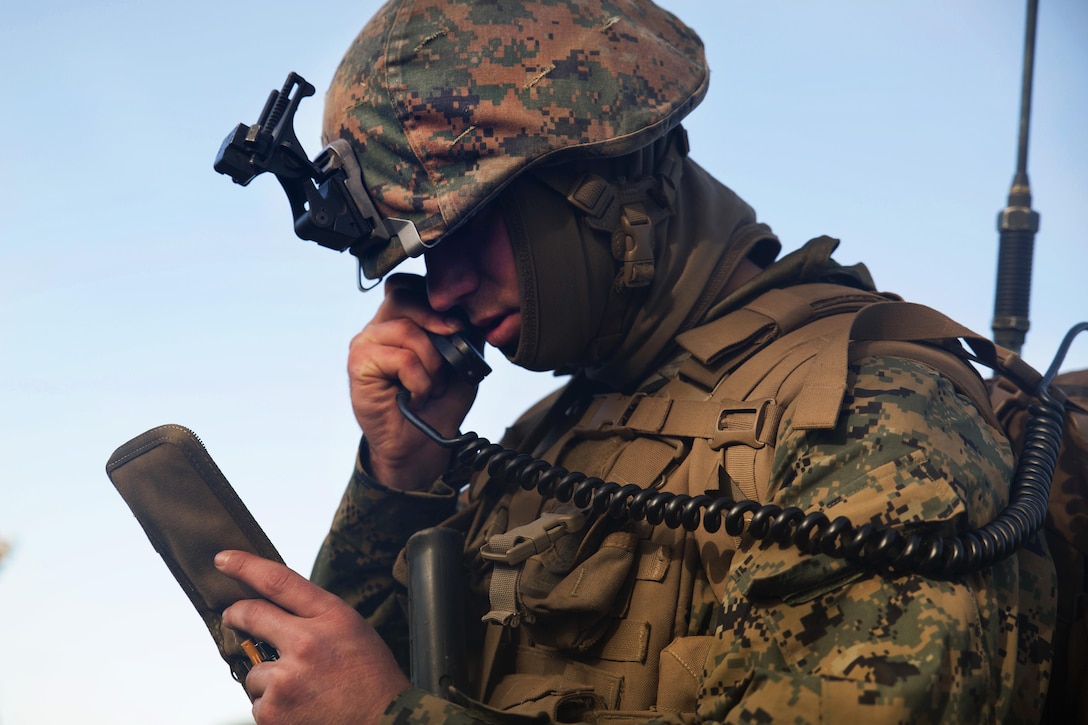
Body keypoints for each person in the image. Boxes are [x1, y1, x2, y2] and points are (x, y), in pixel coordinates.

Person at [216, 1, 1058, 723]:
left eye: (463, 232)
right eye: (419, 256)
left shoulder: (874, 407)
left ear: (604, 185)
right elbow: (339, 686)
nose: (443, 290)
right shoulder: (545, 436)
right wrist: (400, 479)